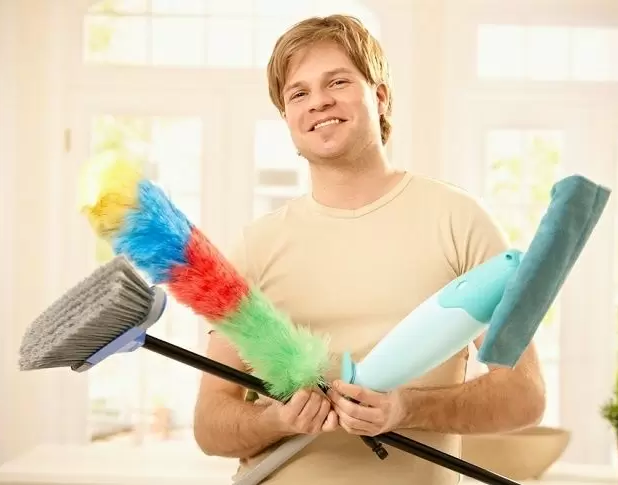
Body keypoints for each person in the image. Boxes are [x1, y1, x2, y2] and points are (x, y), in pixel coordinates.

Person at [193, 14, 546, 485]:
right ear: (287, 119)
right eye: (298, 93)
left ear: (379, 96)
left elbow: (524, 394)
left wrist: (407, 409)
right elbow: (210, 425)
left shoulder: (458, 220)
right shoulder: (256, 246)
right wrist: (276, 421)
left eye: (337, 82)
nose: (318, 101)